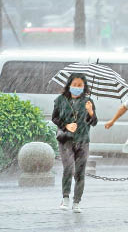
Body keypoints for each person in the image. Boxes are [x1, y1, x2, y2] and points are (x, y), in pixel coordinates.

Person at [52, 73, 98, 213]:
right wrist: (66, 126)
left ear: (84, 87)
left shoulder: (88, 101)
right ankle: (65, 197)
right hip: (66, 140)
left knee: (80, 173)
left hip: (83, 141)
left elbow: (94, 122)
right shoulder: (60, 100)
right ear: (69, 85)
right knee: (68, 168)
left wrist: (91, 112)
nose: (77, 87)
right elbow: (55, 118)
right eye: (74, 84)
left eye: (80, 85)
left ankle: (77, 201)